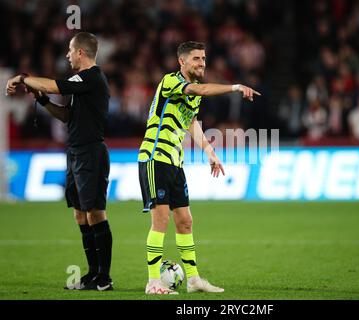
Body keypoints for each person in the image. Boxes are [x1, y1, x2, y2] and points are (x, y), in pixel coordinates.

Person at [138, 41, 260, 295]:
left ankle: (193, 280)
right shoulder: (171, 82)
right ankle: (153, 282)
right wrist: (236, 86)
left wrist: (210, 152)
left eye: (204, 58)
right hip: (154, 157)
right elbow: (202, 90)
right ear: (181, 62)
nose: (202, 63)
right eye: (196, 59)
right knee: (160, 219)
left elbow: (191, 122)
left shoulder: (190, 95)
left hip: (174, 161)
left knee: (185, 221)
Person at [6, 32, 114, 291]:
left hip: (91, 153)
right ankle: (91, 274)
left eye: (69, 50)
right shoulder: (82, 84)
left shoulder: (91, 77)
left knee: (95, 213)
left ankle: (104, 278)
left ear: (80, 53)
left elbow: (55, 85)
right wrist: (42, 101)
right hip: (75, 152)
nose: (66, 55)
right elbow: (67, 115)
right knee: (80, 215)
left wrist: (22, 78)